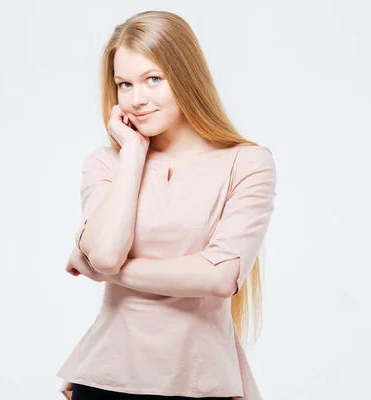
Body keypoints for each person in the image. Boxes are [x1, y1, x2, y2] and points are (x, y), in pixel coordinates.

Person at [56, 10, 277, 400]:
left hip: (199, 381)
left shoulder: (247, 162)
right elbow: (106, 253)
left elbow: (220, 278)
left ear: (186, 75)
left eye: (153, 79)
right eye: (124, 84)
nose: (137, 99)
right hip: (107, 380)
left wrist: (112, 273)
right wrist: (134, 154)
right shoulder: (107, 163)